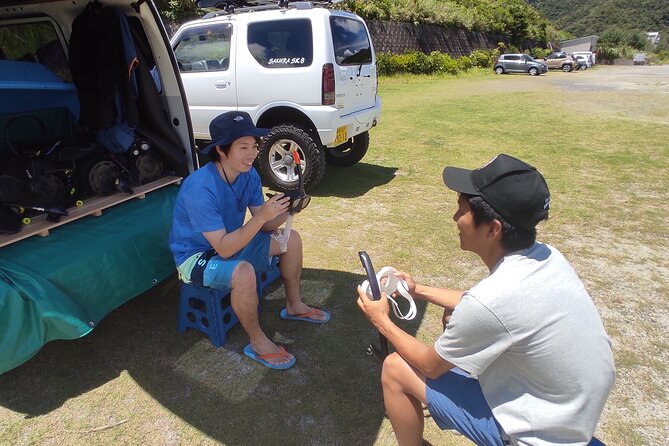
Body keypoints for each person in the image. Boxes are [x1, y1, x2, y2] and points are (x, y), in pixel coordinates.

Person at [356, 154, 615, 445]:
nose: (455, 218)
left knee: (395, 366)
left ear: (493, 229)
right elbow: (482, 307)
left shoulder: (493, 299)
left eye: (461, 209)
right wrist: (417, 290)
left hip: (534, 436)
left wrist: (381, 320)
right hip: (568, 418)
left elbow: (430, 364)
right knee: (453, 314)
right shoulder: (548, 257)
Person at [169, 111, 330, 370]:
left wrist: (286, 209)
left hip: (232, 243)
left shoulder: (249, 175)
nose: (252, 153)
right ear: (221, 150)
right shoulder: (200, 188)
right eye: (243, 147)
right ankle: (257, 342)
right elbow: (223, 248)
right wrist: (262, 217)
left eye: (254, 146)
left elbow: (264, 223)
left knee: (292, 240)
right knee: (243, 272)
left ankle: (294, 305)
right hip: (197, 256)